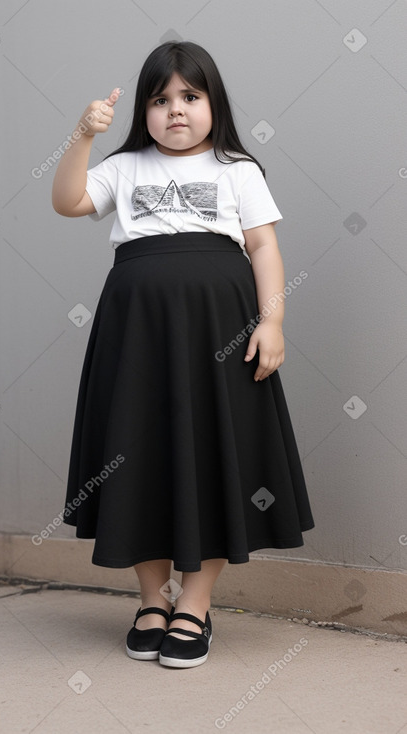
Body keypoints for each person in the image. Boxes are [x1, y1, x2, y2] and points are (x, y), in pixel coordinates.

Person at [52, 40, 315, 669]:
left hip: (219, 333)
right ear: (143, 111)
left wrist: (273, 320)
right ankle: (152, 599)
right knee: (134, 456)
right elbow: (67, 201)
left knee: (215, 453)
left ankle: (194, 604)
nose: (176, 110)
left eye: (190, 97)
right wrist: (81, 137)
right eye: (160, 99)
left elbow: (263, 248)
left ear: (212, 104)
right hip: (136, 334)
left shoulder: (237, 168)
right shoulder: (125, 167)